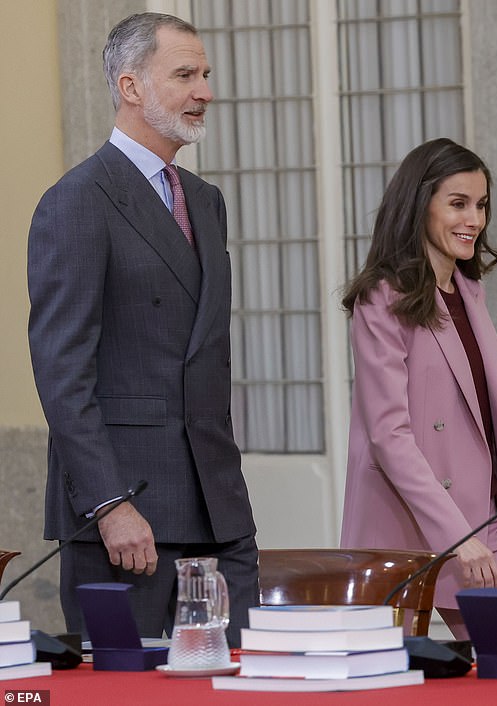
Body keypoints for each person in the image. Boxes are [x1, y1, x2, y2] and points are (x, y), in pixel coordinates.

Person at [27, 12, 258, 647]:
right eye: (185, 74)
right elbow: (61, 372)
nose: (205, 90)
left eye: (205, 74)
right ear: (130, 86)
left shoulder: (206, 201)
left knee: (242, 683)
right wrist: (109, 504)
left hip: (220, 508)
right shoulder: (76, 200)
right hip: (127, 520)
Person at [340, 138, 497, 642]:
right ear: (419, 206)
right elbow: (389, 435)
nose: (474, 219)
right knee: (391, 685)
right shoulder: (382, 298)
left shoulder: (470, 293)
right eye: (458, 203)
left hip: (482, 522)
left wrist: (478, 528)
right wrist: (456, 536)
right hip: (401, 530)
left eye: (481, 205)